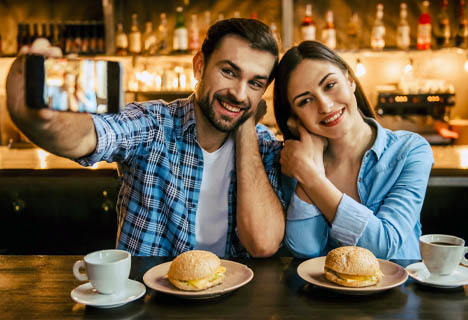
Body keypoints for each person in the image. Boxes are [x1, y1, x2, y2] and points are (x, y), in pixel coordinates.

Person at [6, 18, 286, 258]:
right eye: (228, 71)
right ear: (199, 66)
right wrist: (42, 117)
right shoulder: (152, 124)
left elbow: (262, 243)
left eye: (255, 83)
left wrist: (247, 127)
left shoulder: (265, 147)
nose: (239, 93)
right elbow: (85, 138)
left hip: (232, 303)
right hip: (148, 302)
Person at [274, 41, 433, 260]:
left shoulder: (410, 150)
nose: (325, 106)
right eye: (305, 101)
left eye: (329, 85)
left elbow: (384, 245)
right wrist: (309, 163)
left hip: (401, 292)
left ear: (350, 81)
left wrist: (311, 177)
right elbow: (305, 249)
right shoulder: (293, 160)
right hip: (325, 293)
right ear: (294, 117)